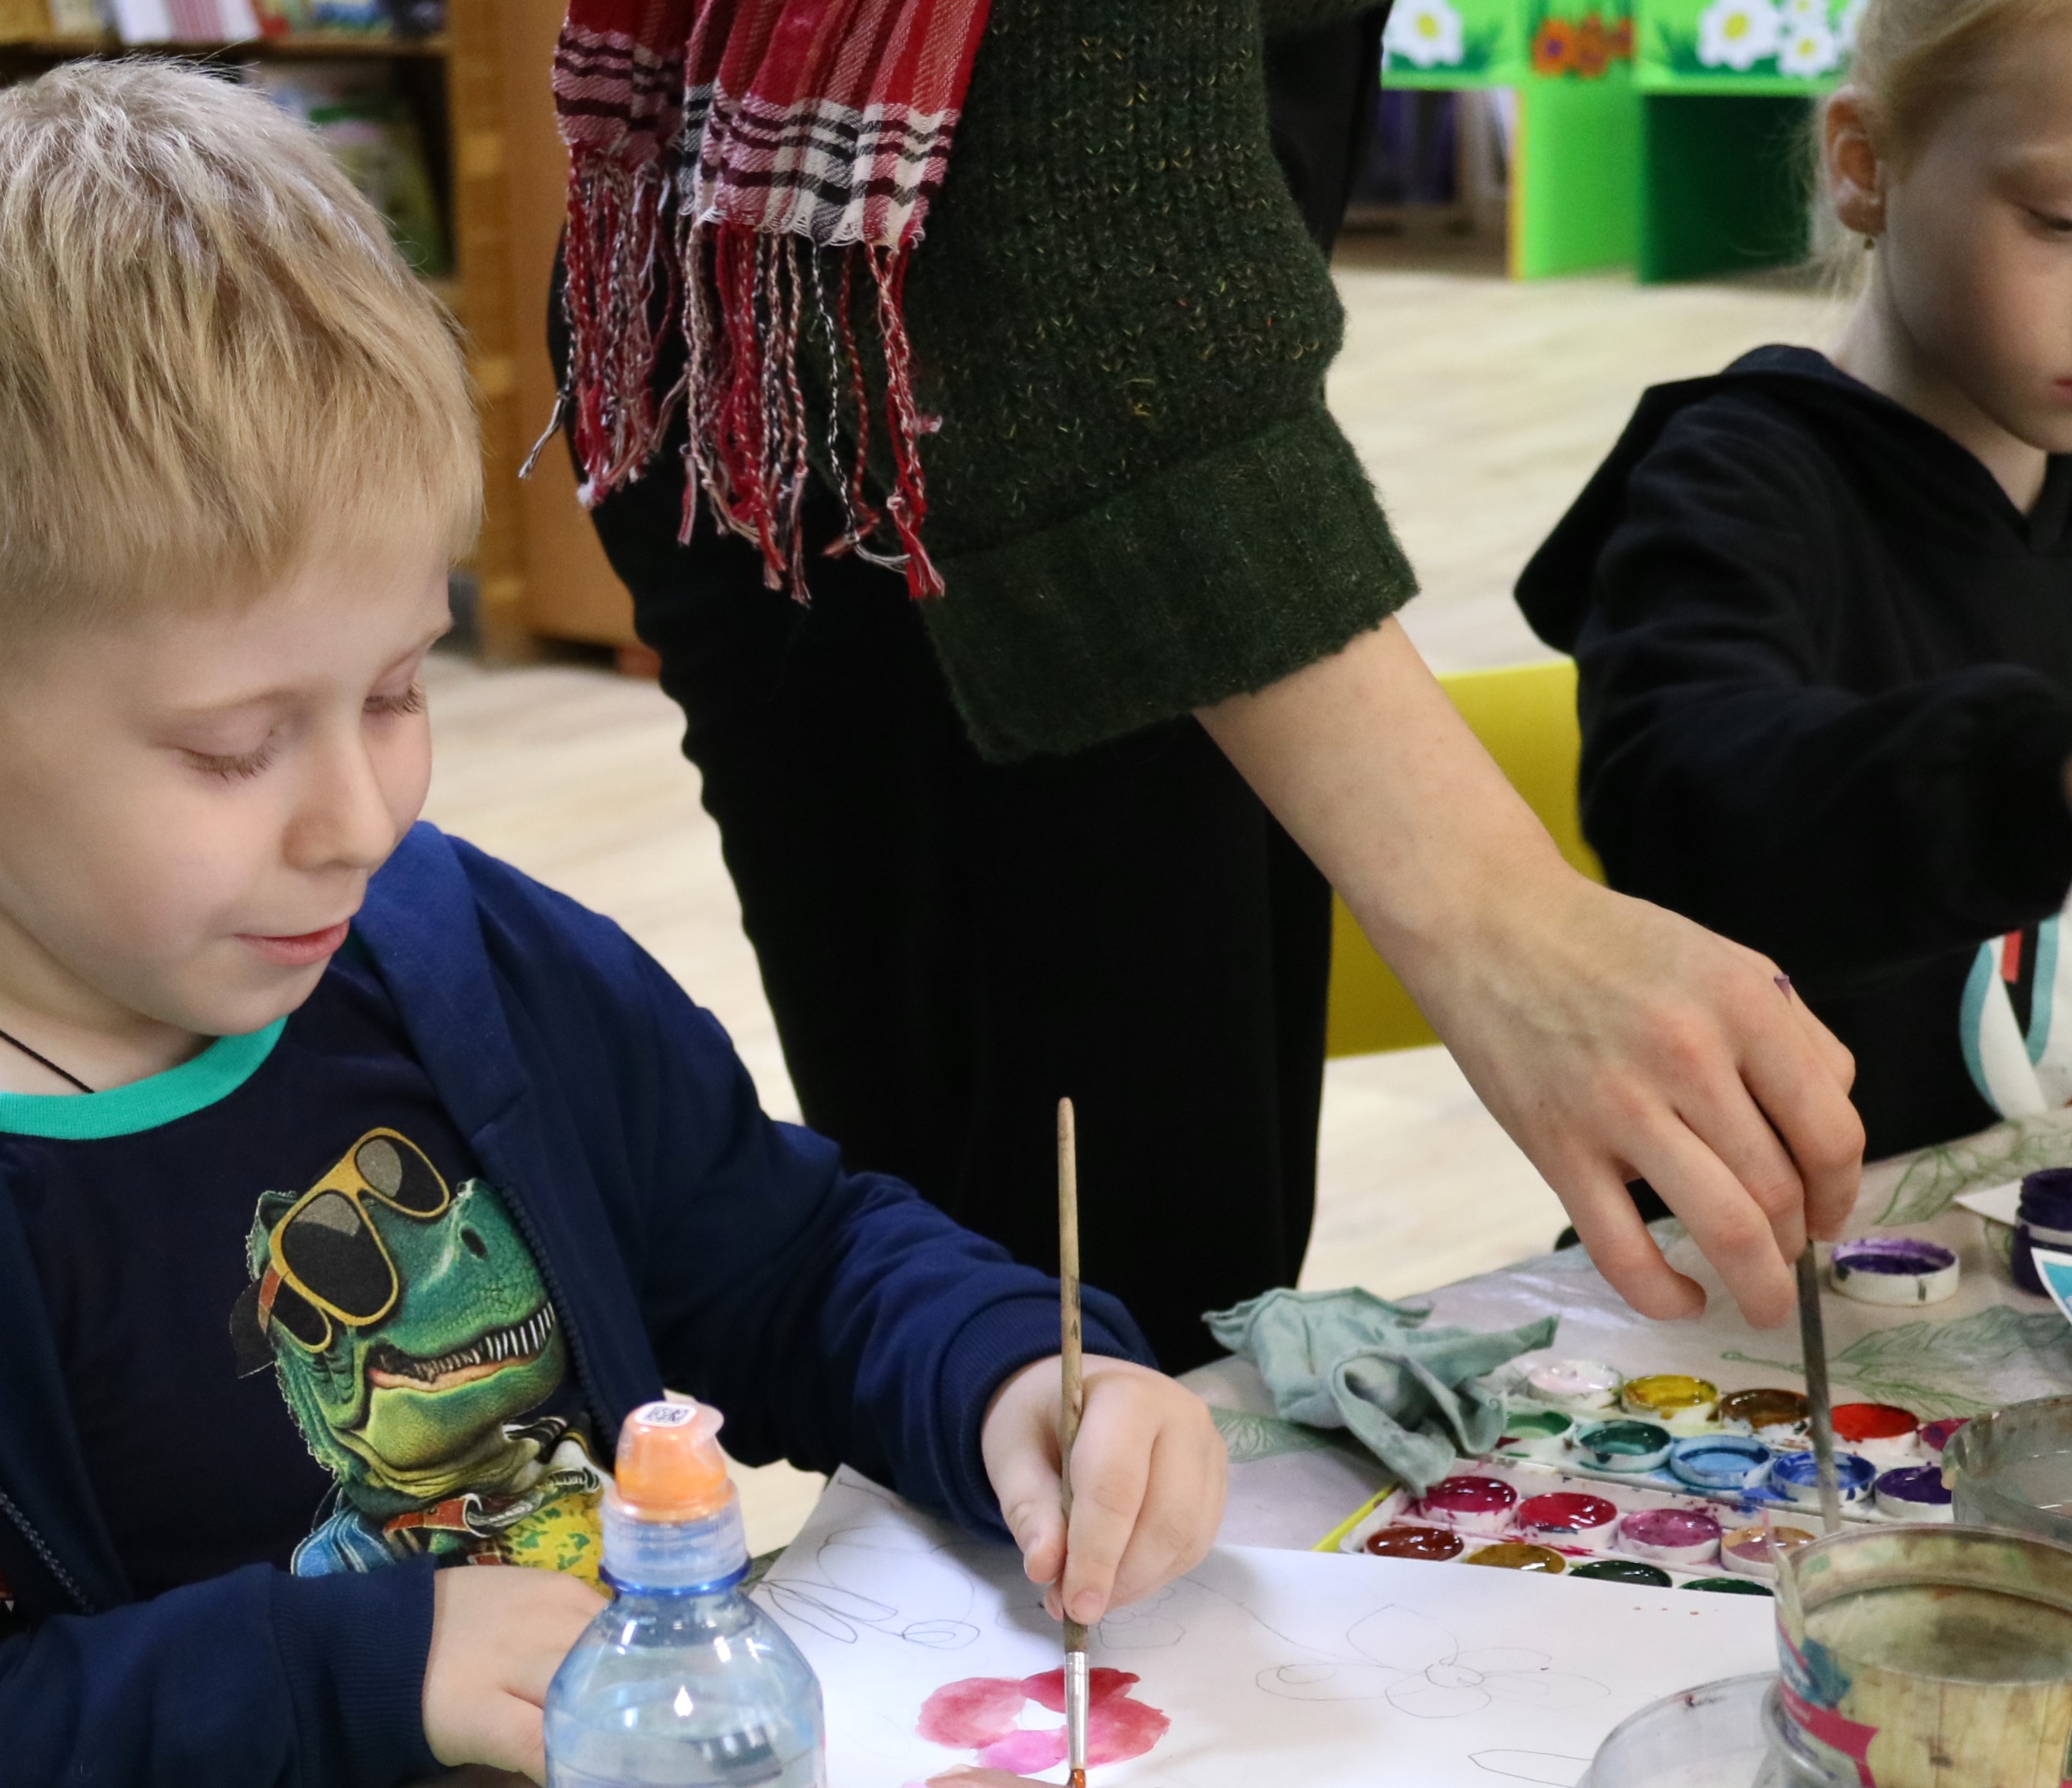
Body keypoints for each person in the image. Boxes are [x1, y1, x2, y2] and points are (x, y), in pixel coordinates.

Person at [0, 66, 1229, 1788]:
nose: (356, 815)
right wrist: (362, 1667)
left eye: (398, 688)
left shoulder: (442, 949)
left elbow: (779, 1255)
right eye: (234, 744)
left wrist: (1002, 1376)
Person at [556, 0, 1866, 1368]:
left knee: (1151, 1280)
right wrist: (1501, 917)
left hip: (1054, 394)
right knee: (1088, 1315)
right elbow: (1073, 234)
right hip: (943, 444)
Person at [1515, 0, 2072, 1159]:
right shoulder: (1732, 486)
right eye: (2063, 223)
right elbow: (1693, 820)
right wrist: (2035, 781)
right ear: (1865, 166)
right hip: (1774, 1250)